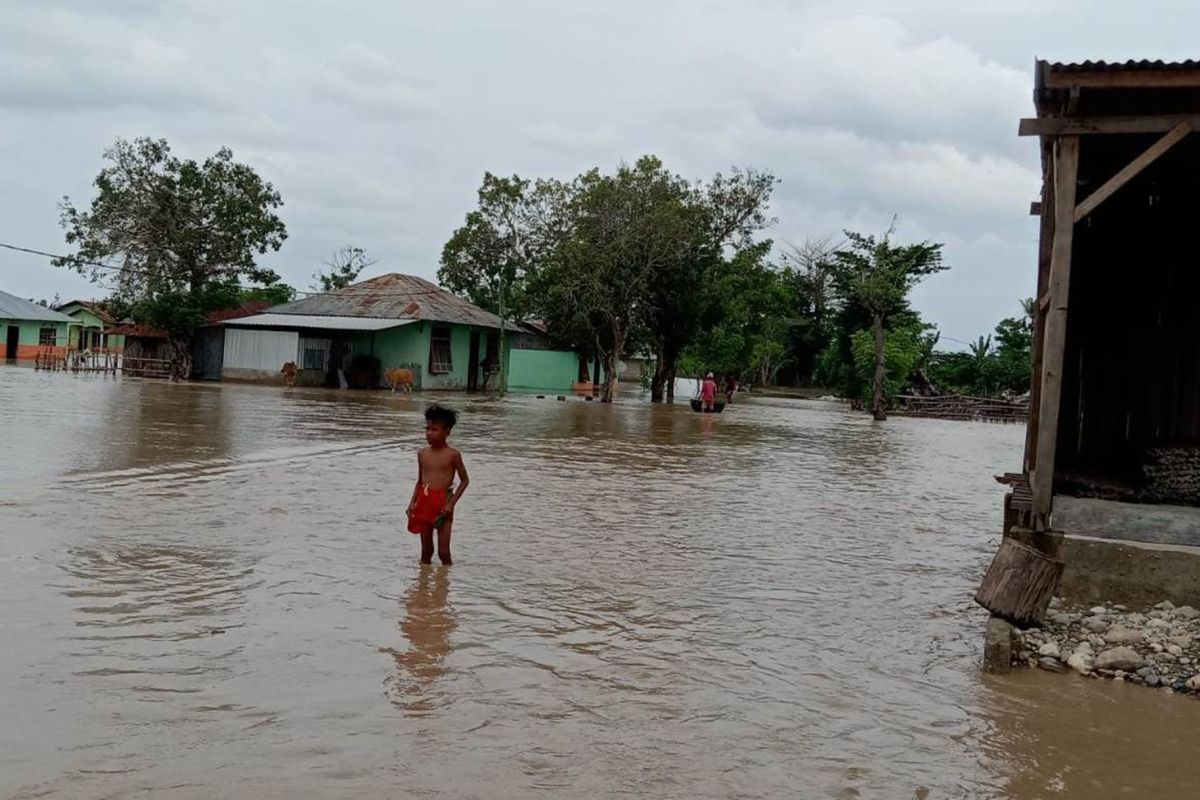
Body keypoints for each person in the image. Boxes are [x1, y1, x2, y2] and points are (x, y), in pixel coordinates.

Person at [407, 405, 470, 565]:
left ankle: (444, 583)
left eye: (434, 429)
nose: (429, 433)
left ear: (447, 431)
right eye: (427, 429)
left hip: (443, 503)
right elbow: (420, 481)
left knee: (443, 552)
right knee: (426, 551)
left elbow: (465, 480)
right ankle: (423, 584)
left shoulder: (453, 455)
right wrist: (412, 503)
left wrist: (451, 503)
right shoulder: (422, 454)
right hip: (425, 501)